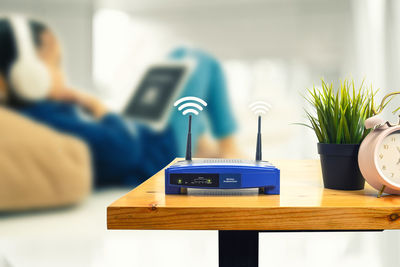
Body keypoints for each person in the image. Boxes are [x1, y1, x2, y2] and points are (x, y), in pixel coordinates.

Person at [0, 16, 239, 188]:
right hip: (157, 153)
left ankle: (201, 143)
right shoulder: (47, 118)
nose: (62, 75)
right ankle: (229, 148)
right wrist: (99, 109)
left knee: (177, 62)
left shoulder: (31, 115)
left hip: (145, 138)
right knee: (199, 60)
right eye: (55, 64)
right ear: (27, 75)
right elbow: (126, 149)